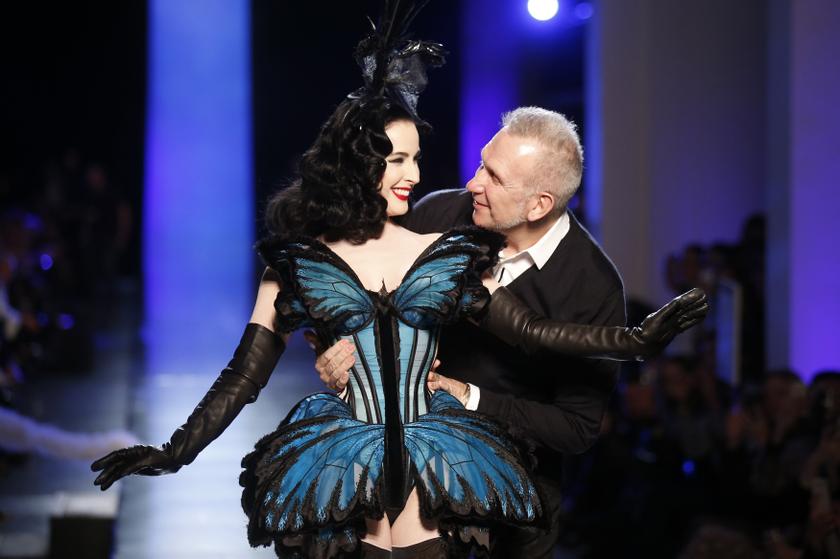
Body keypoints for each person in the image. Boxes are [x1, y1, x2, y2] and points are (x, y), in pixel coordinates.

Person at [91, 7, 708, 558]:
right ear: (359, 165)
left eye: (417, 158)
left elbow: (533, 333)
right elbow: (244, 375)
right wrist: (174, 452)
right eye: (398, 161)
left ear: (542, 200)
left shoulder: (447, 250)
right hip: (347, 461)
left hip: (450, 468)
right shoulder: (331, 254)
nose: (435, 178)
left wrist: (636, 341)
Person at [314, 106, 633, 557]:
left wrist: (467, 397)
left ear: (539, 204)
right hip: (408, 488)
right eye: (482, 163)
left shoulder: (593, 287)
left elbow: (577, 429)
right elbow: (375, 314)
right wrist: (340, 358)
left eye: (494, 177)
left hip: (510, 515)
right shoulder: (441, 213)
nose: (473, 184)